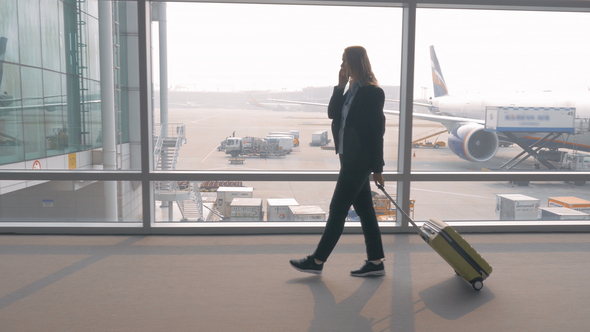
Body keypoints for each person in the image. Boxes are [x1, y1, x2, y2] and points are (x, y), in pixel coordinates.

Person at [290, 46, 386, 277]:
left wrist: (377, 169)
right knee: (365, 211)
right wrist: (340, 86)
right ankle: (375, 262)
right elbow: (333, 114)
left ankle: (318, 260)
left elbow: (377, 132)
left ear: (355, 62)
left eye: (344, 61)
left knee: (337, 210)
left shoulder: (373, 92)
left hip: (359, 161)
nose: (341, 66)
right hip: (348, 158)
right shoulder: (352, 89)